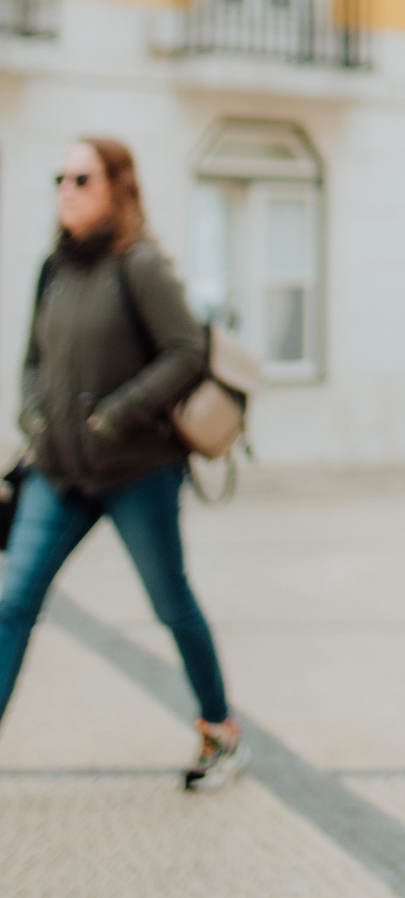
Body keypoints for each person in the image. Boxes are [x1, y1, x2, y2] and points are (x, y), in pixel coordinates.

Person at [1, 137, 247, 788]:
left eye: (81, 178)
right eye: (60, 178)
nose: (66, 190)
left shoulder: (140, 265)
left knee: (171, 602)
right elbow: (32, 358)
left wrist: (114, 415)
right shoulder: (52, 270)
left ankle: (220, 731)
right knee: (13, 602)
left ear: (117, 187)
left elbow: (186, 351)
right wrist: (32, 415)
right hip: (59, 472)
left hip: (137, 472)